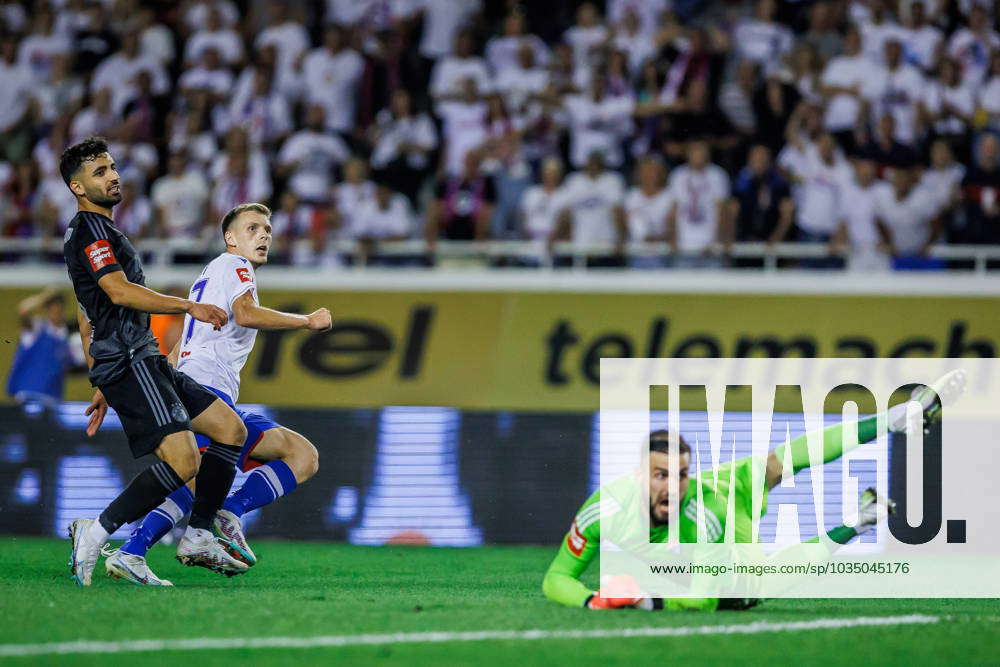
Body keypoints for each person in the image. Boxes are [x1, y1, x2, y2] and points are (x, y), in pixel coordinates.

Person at [542, 371, 966, 610]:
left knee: (753, 584)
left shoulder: (702, 516)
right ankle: (859, 521)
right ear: (638, 475)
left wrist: (641, 601)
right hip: (713, 513)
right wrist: (590, 601)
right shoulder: (604, 509)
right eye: (660, 475)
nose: (671, 487)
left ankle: (894, 419)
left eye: (681, 474)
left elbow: (701, 603)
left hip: (724, 514)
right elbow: (557, 578)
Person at [102, 203, 331, 585]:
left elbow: (180, 347)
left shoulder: (211, 275)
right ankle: (132, 549)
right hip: (206, 391)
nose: (264, 235)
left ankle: (227, 512)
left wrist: (169, 386)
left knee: (300, 455)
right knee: (194, 480)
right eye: (253, 228)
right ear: (231, 238)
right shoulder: (235, 266)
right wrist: (307, 321)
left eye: (268, 230)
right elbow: (247, 314)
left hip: (204, 390)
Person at [61, 137, 248, 586]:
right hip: (130, 358)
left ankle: (199, 532)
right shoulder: (90, 231)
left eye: (111, 167)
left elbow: (88, 311)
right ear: (77, 186)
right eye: (99, 172)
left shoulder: (105, 233)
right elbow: (117, 292)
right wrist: (188, 306)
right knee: (185, 462)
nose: (112, 176)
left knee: (230, 429)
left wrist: (99, 376)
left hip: (138, 357)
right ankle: (98, 531)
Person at [5, 287, 82, 406]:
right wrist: (45, 296)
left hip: (53, 397)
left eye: (59, 307)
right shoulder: (37, 328)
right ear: (47, 309)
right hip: (28, 394)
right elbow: (23, 310)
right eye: (52, 307)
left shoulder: (66, 338)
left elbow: (72, 367)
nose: (56, 311)